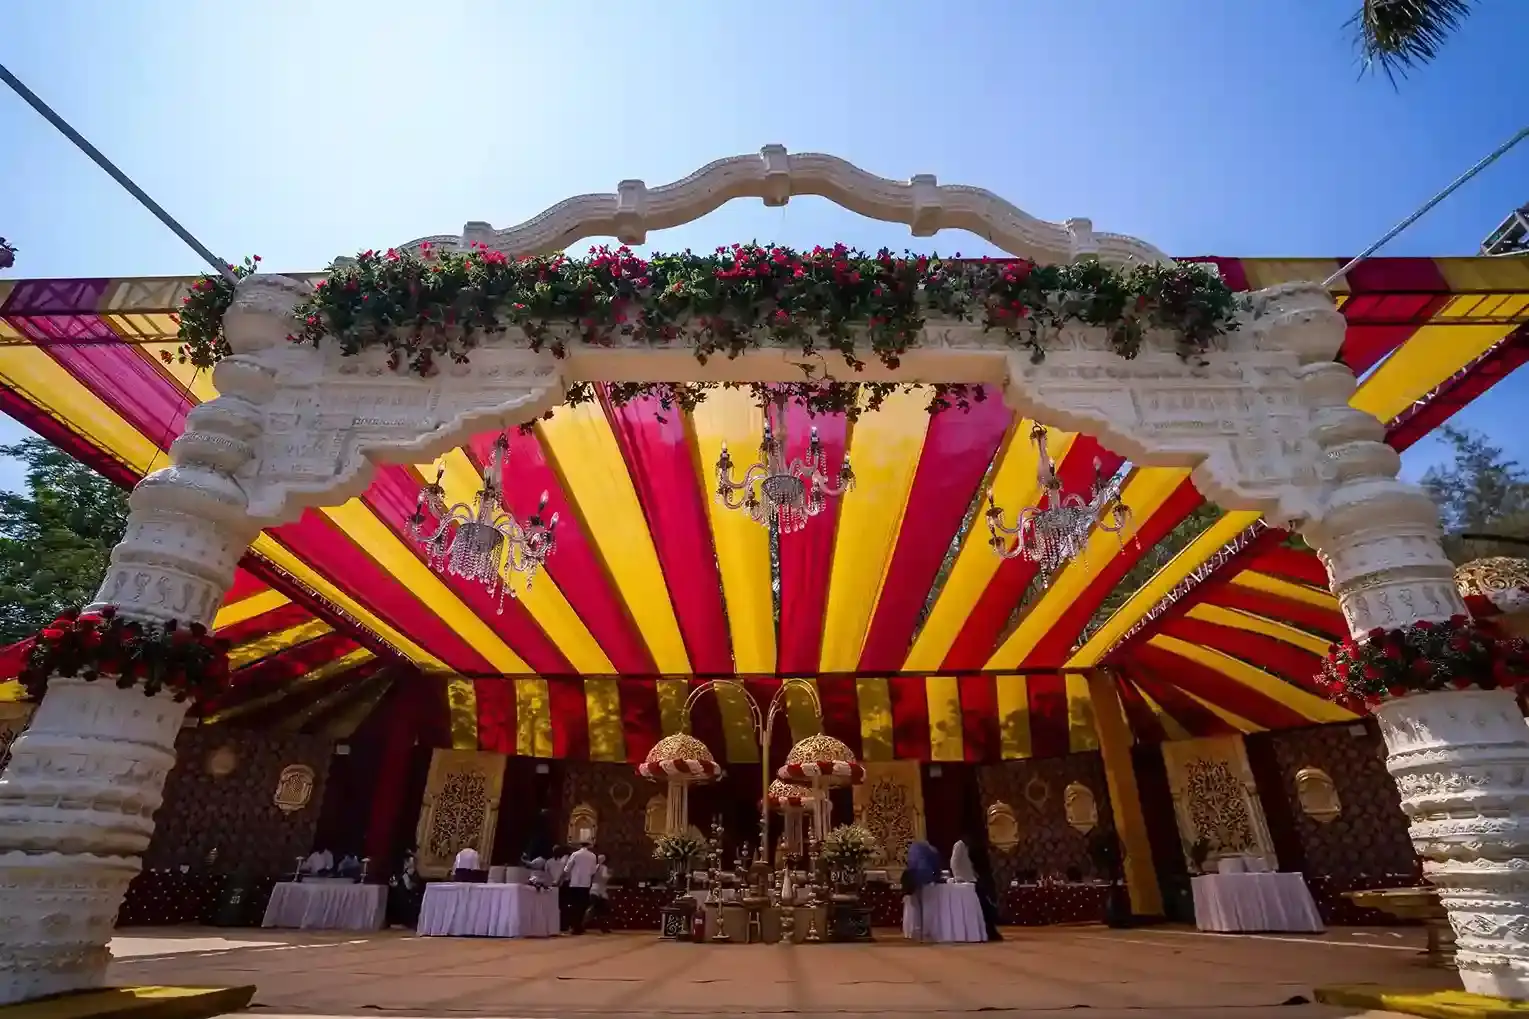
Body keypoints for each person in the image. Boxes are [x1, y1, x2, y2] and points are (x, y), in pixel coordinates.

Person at [903, 839, 941, 942]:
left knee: (916, 908)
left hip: (915, 879)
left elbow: (911, 865)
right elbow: (936, 867)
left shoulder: (912, 850)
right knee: (927, 907)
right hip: (928, 880)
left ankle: (917, 932)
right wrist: (936, 878)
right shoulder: (932, 850)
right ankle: (927, 933)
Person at [564, 842, 598, 935]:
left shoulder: (575, 854)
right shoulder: (593, 856)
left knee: (574, 905)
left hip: (575, 883)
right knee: (582, 905)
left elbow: (567, 868)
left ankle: (574, 926)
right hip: (586, 883)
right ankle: (579, 925)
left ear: (580, 846)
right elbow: (593, 871)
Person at [546, 845, 570, 931]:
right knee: (562, 905)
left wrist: (554, 881)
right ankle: (561, 925)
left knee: (560, 905)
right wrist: (557, 881)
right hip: (559, 885)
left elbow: (547, 874)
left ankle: (560, 925)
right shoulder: (563, 862)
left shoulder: (549, 862)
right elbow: (565, 873)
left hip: (556, 885)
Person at [587, 853, 612, 933]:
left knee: (595, 909)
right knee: (603, 910)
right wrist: (610, 875)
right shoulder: (604, 868)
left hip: (593, 889)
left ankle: (582, 924)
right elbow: (604, 877)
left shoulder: (594, 867)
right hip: (600, 890)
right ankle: (604, 927)